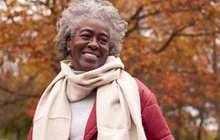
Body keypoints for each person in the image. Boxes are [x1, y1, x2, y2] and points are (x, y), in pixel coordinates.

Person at [27, 0, 174, 140]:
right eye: (86, 36)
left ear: (109, 48)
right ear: (69, 42)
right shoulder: (49, 98)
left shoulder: (136, 92)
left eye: (102, 40)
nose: (94, 44)